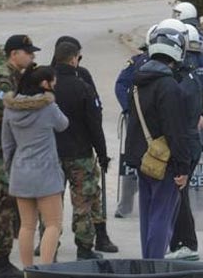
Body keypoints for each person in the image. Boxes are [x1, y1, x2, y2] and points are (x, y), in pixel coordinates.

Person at [124, 22, 191, 259]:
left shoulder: (137, 82)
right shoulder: (168, 86)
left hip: (144, 160)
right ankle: (154, 266)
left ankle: (147, 263)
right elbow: (176, 130)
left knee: (148, 215)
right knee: (162, 217)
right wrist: (183, 166)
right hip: (165, 161)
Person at [0, 34, 38, 278]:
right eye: (28, 52)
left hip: (3, 150)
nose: (32, 56)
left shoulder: (13, 76)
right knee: (1, 207)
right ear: (14, 53)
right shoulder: (4, 77)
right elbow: (5, 113)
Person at [1, 65, 68, 267]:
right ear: (45, 84)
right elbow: (63, 124)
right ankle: (45, 270)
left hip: (21, 171)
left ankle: (28, 270)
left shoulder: (10, 108)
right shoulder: (48, 108)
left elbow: (7, 143)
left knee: (27, 226)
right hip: (46, 172)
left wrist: (10, 169)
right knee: (53, 224)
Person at [51, 42, 113, 260]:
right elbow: (94, 125)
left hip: (52, 154)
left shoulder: (46, 85)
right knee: (83, 203)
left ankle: (49, 245)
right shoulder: (82, 86)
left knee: (50, 202)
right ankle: (84, 249)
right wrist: (103, 154)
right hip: (80, 154)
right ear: (73, 59)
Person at [166, 20, 203, 261]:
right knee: (178, 194)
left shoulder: (183, 80)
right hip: (188, 142)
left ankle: (187, 244)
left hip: (186, 144)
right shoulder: (186, 74)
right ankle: (180, 242)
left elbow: (179, 120)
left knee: (179, 194)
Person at [113, 25, 154, 218]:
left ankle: (128, 205)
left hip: (142, 121)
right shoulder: (138, 62)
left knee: (133, 159)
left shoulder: (137, 62)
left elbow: (120, 85)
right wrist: (130, 108)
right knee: (136, 160)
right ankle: (128, 204)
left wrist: (130, 109)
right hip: (145, 121)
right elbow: (121, 85)